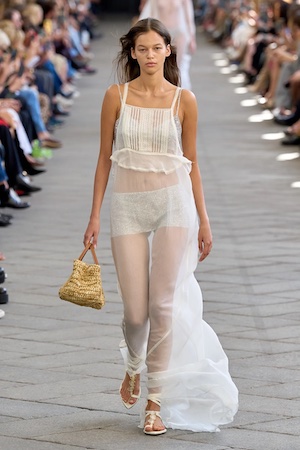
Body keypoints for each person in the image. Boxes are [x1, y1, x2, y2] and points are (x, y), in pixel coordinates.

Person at [84, 18, 238, 435]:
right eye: (142, 49)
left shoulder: (184, 100)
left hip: (174, 205)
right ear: (131, 53)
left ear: (169, 50)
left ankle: (155, 401)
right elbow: (103, 158)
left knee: (162, 306)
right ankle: (133, 364)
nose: (150, 55)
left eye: (157, 48)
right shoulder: (115, 96)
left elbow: (192, 164)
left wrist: (204, 220)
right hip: (127, 207)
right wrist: (94, 214)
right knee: (136, 311)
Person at [139, 0, 196, 89]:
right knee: (161, 65)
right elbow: (151, 14)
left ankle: (179, 92)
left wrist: (192, 38)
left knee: (178, 66)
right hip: (162, 32)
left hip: (179, 33)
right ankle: (163, 91)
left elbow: (189, 16)